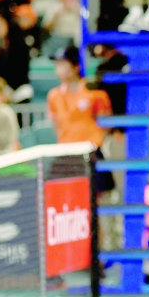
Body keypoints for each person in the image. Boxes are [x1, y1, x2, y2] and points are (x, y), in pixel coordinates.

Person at [47, 44, 114, 191]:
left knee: (98, 194)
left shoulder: (94, 92)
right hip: (65, 154)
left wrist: (94, 143)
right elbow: (56, 124)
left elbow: (106, 124)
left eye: (63, 64)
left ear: (76, 67)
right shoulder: (53, 96)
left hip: (90, 153)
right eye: (57, 64)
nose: (58, 68)